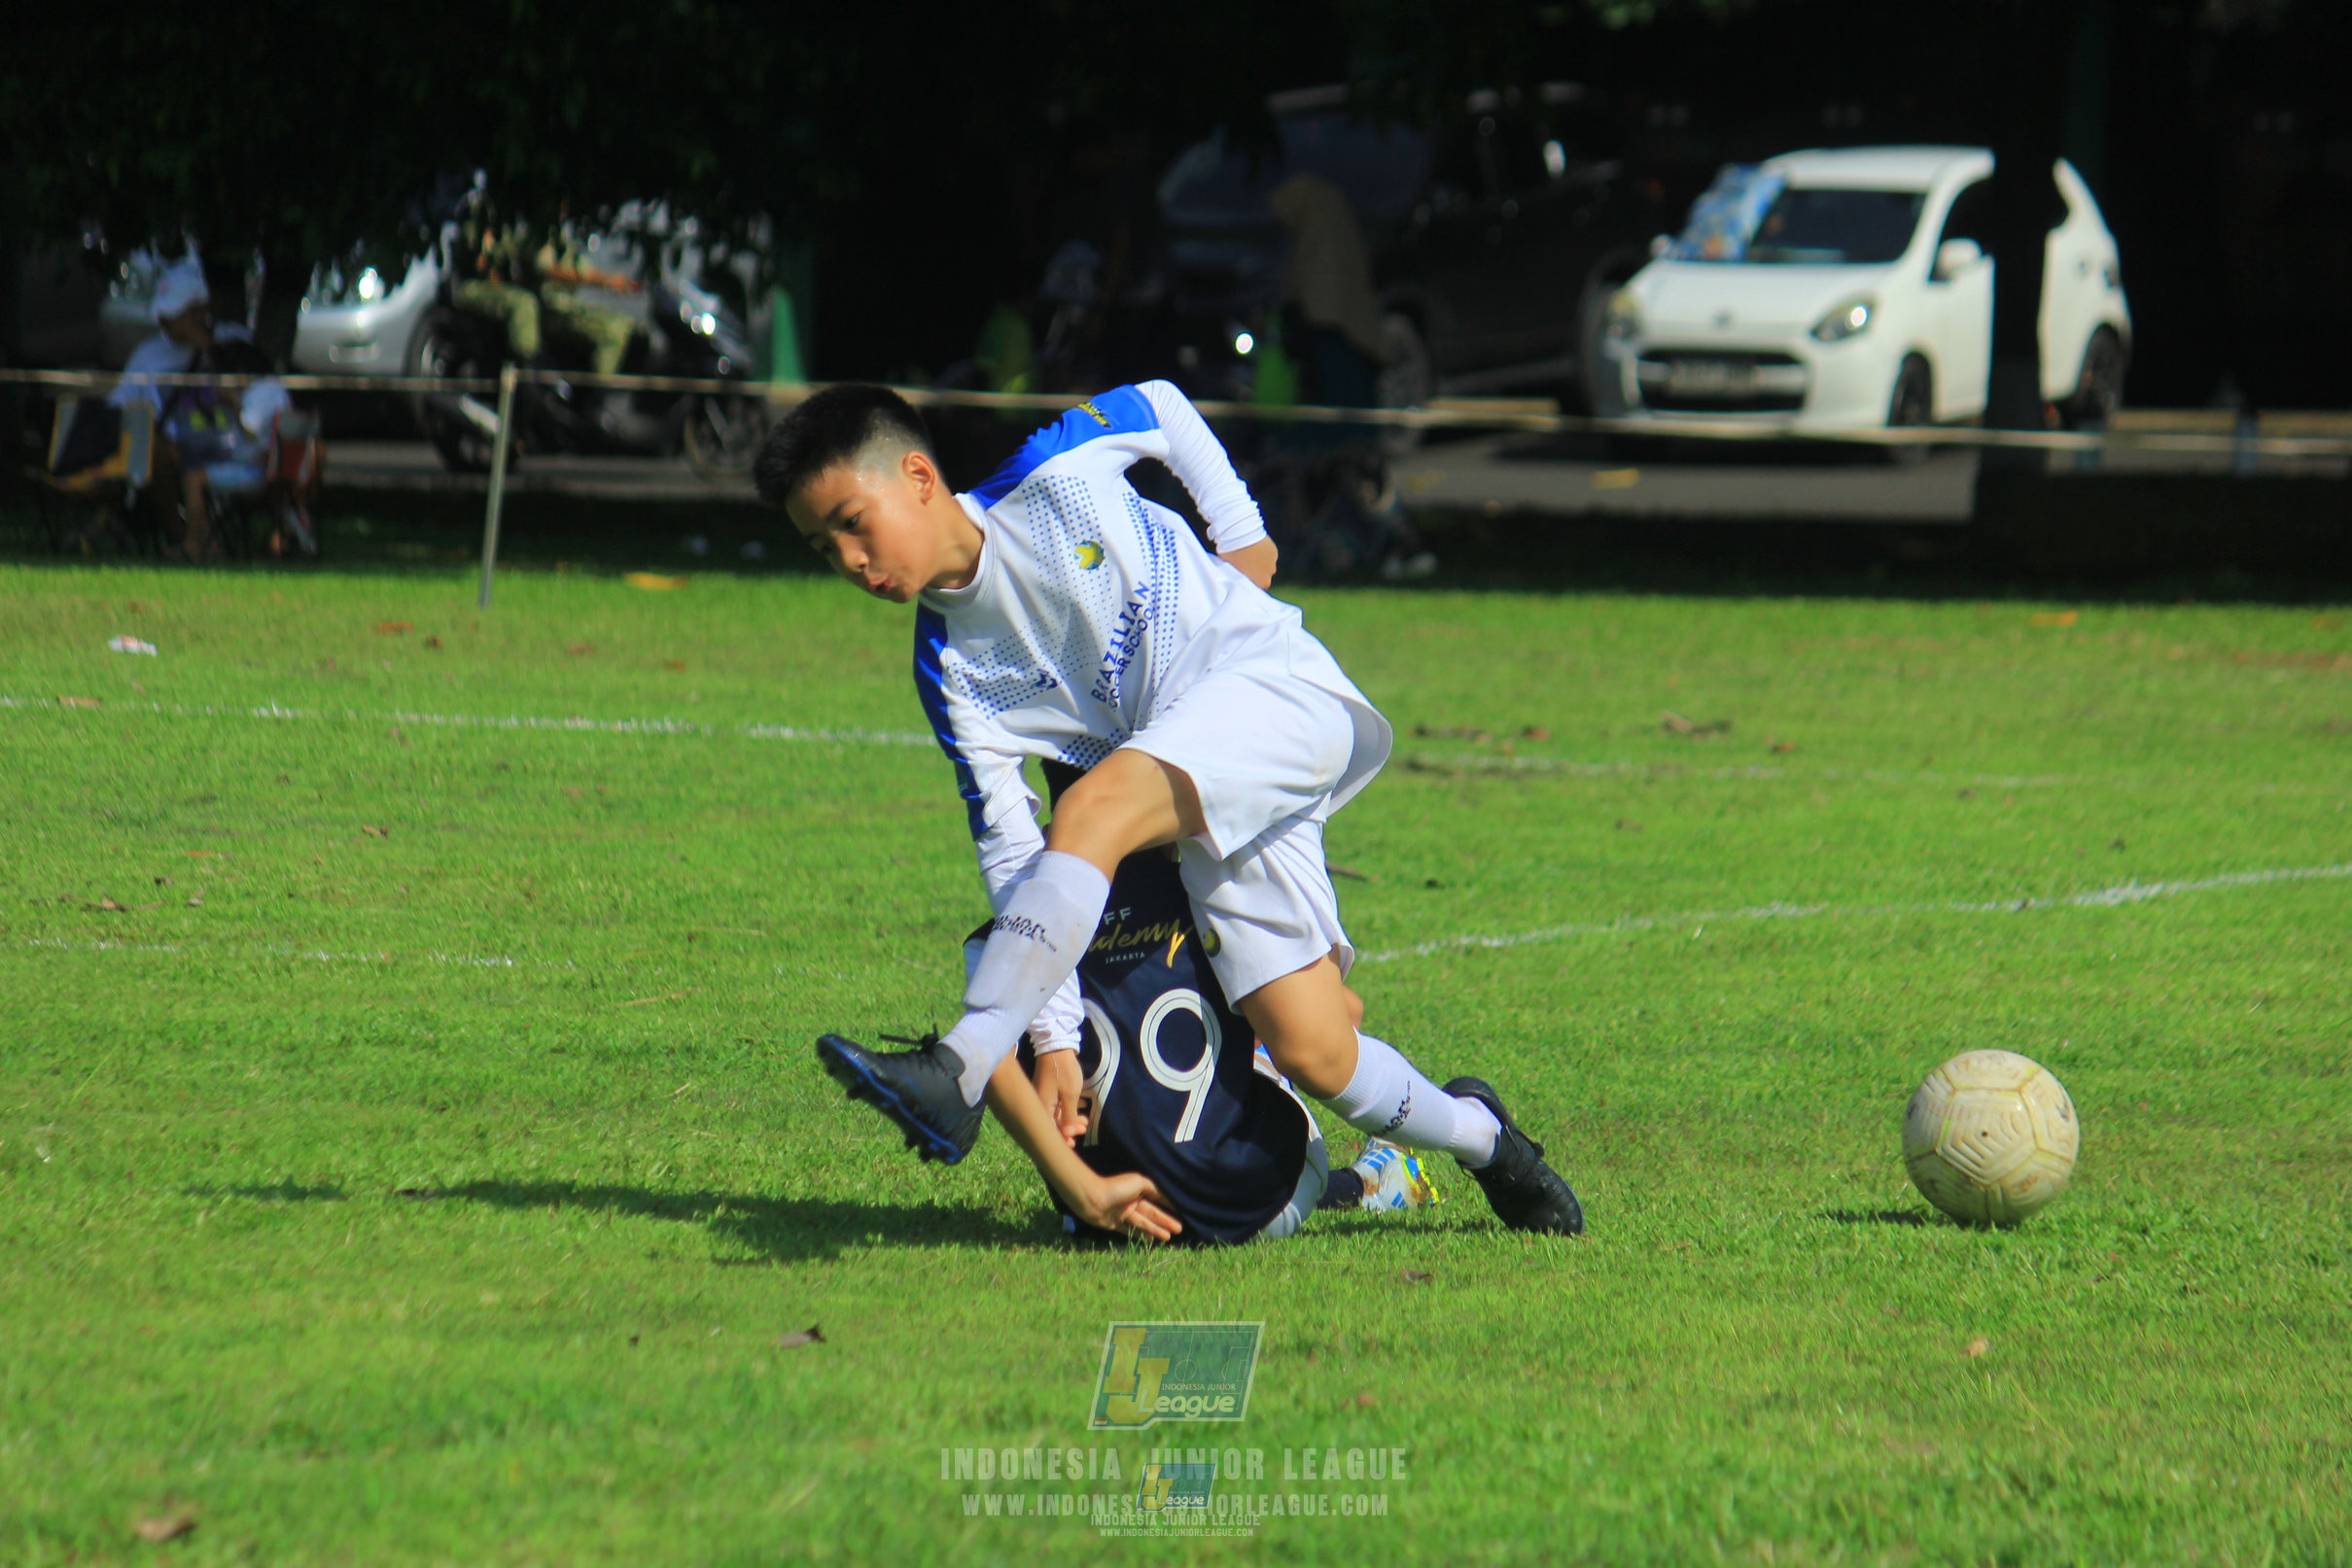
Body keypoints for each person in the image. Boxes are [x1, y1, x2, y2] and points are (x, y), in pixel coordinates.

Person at [755, 381, 1585, 1236]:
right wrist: (1053, 1037)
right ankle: (1488, 1140)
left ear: (919, 476)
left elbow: (1159, 403)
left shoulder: (1051, 474)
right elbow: (1010, 859)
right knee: (1317, 1050)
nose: (849, 558)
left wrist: (1241, 529)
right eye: (823, 546)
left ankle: (959, 1064)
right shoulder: (948, 669)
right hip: (1200, 789)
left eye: (853, 522)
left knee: (1090, 811)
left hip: (1269, 689)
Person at [978, 770, 1440, 1245]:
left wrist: (1083, 1191)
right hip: (1249, 1207)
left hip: (1100, 1219)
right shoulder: (1207, 900)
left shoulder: (1014, 929)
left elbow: (985, 1063)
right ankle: (1366, 1185)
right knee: (1270, 1036)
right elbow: (1346, 1012)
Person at [110, 259, 258, 562]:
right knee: (154, 451)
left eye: (175, 314)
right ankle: (182, 537)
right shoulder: (148, 355)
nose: (164, 321)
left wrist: (207, 347)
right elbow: (119, 406)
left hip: (229, 444)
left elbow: (253, 385)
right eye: (163, 314)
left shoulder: (234, 339)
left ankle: (202, 542)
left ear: (201, 310)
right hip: (174, 450)